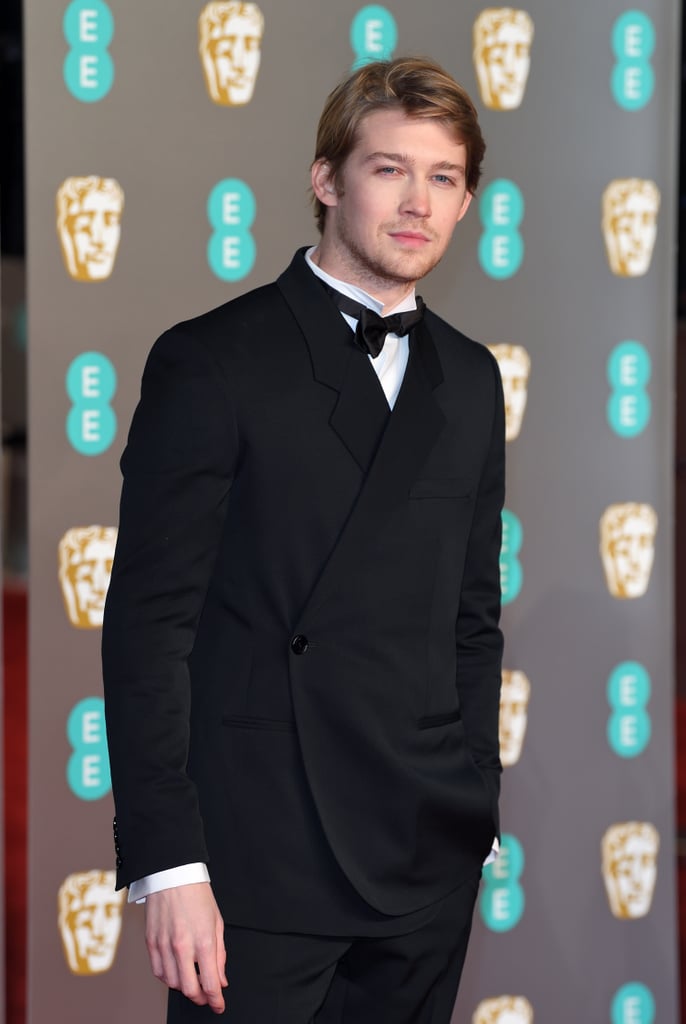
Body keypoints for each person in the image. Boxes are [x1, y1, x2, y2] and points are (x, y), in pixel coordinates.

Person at [103, 55, 505, 1023]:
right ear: (325, 181)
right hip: (258, 854)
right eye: (387, 169)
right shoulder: (211, 359)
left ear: (464, 202)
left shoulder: (470, 378)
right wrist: (169, 859)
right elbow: (149, 627)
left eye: (441, 177)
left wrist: (473, 803)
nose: (415, 203)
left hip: (421, 848)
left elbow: (470, 619)